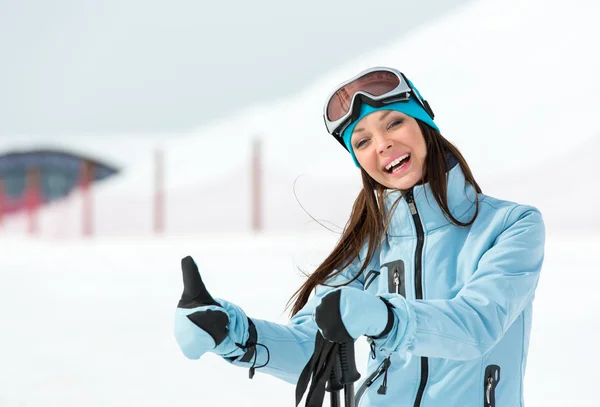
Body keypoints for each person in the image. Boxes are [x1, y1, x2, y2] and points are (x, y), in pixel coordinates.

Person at [173, 66, 546, 407]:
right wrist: (235, 335)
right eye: (362, 142)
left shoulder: (510, 225)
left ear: (424, 126)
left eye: (394, 123)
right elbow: (312, 350)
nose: (381, 144)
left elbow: (478, 324)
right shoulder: (367, 246)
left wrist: (385, 318)